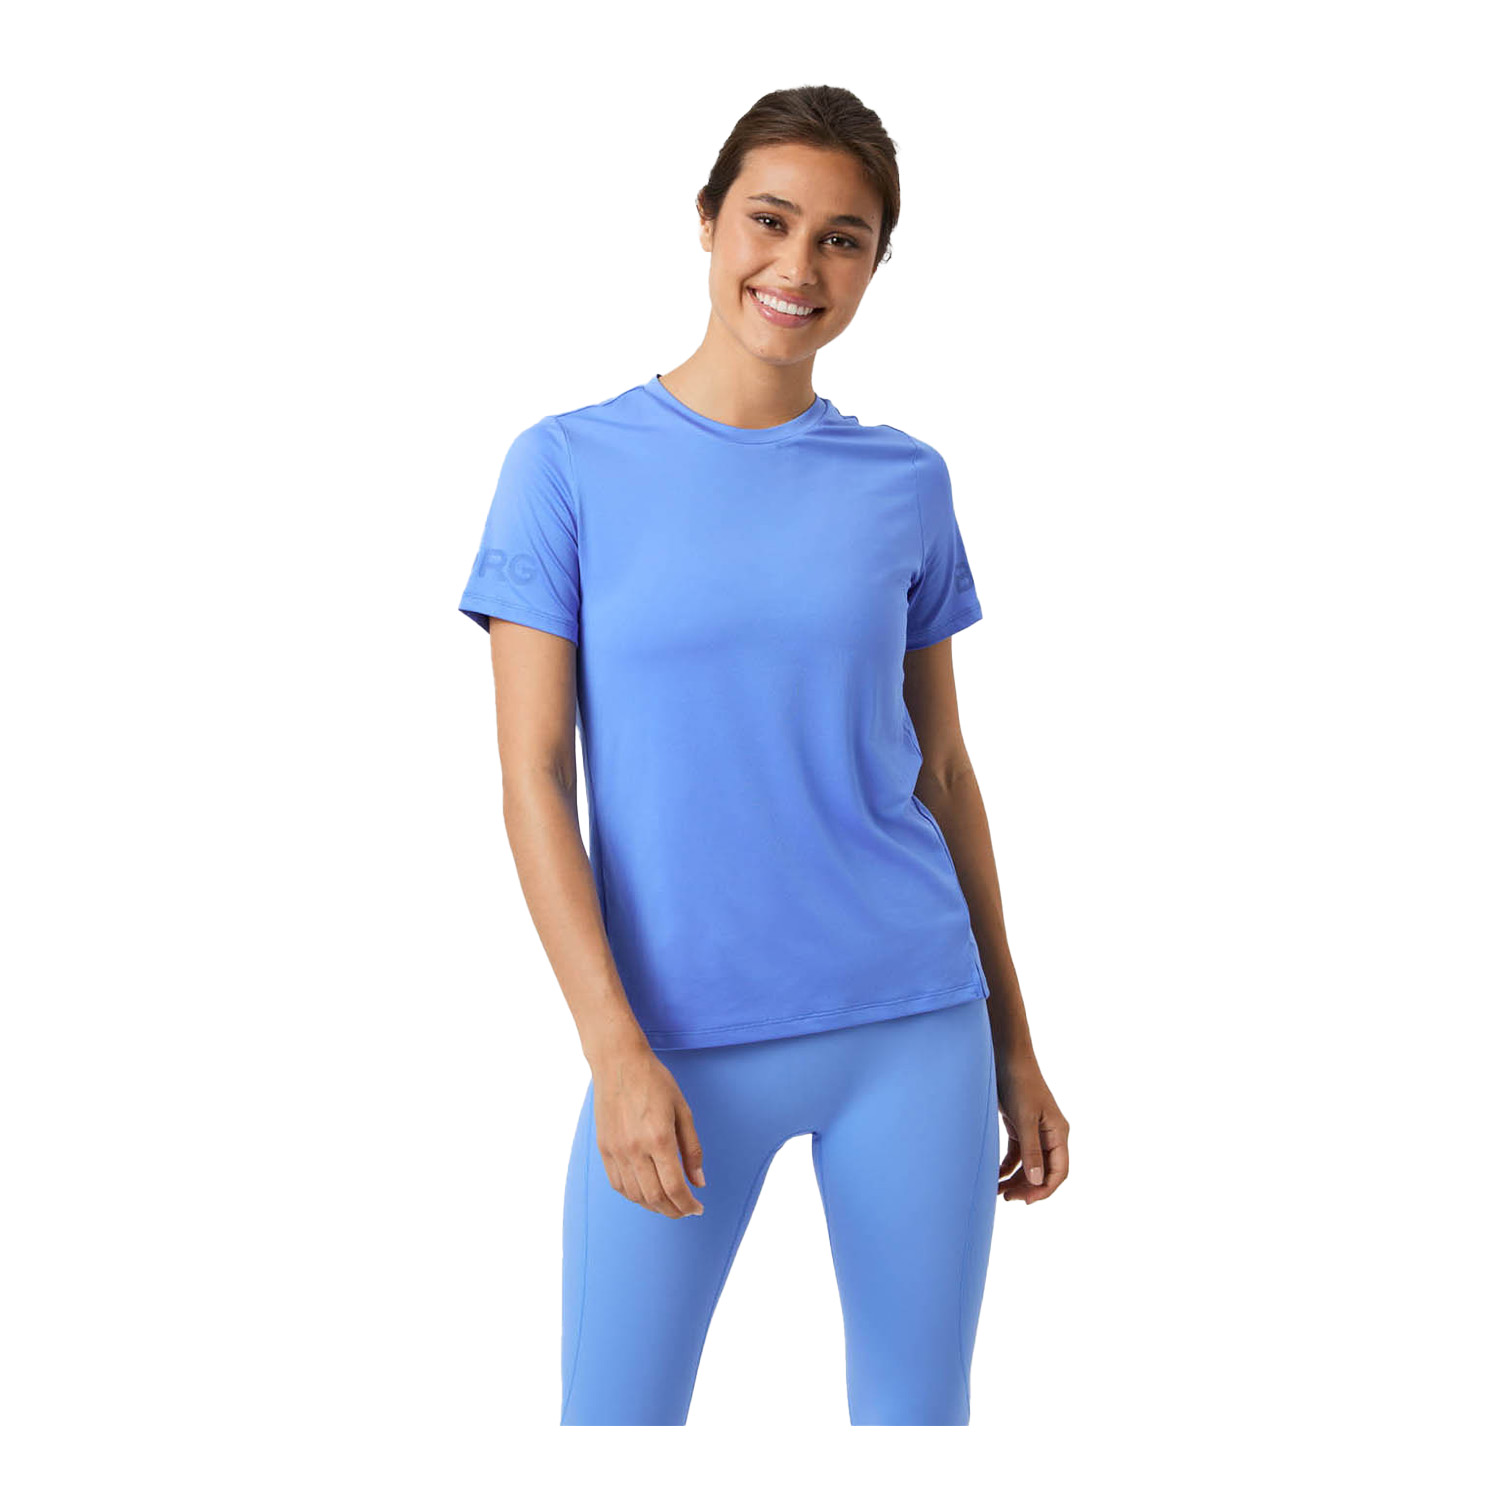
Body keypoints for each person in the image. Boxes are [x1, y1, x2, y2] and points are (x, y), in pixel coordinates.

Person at [458, 84, 1069, 1425]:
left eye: (844, 238)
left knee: (918, 1425)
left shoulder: (906, 481)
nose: (798, 266)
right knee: (614, 1424)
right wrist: (614, 1053)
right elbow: (533, 780)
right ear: (708, 220)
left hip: (913, 1023)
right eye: (770, 220)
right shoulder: (564, 466)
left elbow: (943, 773)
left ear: (875, 264)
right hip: (675, 1046)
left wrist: (1015, 1045)